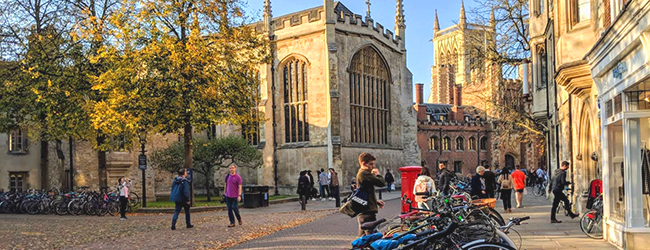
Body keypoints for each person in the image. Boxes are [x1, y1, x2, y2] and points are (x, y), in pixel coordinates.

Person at [356, 152, 386, 237]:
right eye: (371, 164)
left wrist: (375, 201)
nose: (373, 166)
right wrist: (377, 174)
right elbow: (381, 183)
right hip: (367, 212)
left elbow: (365, 193)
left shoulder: (362, 173)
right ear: (364, 164)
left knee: (362, 240)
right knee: (373, 240)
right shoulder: (364, 174)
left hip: (364, 211)